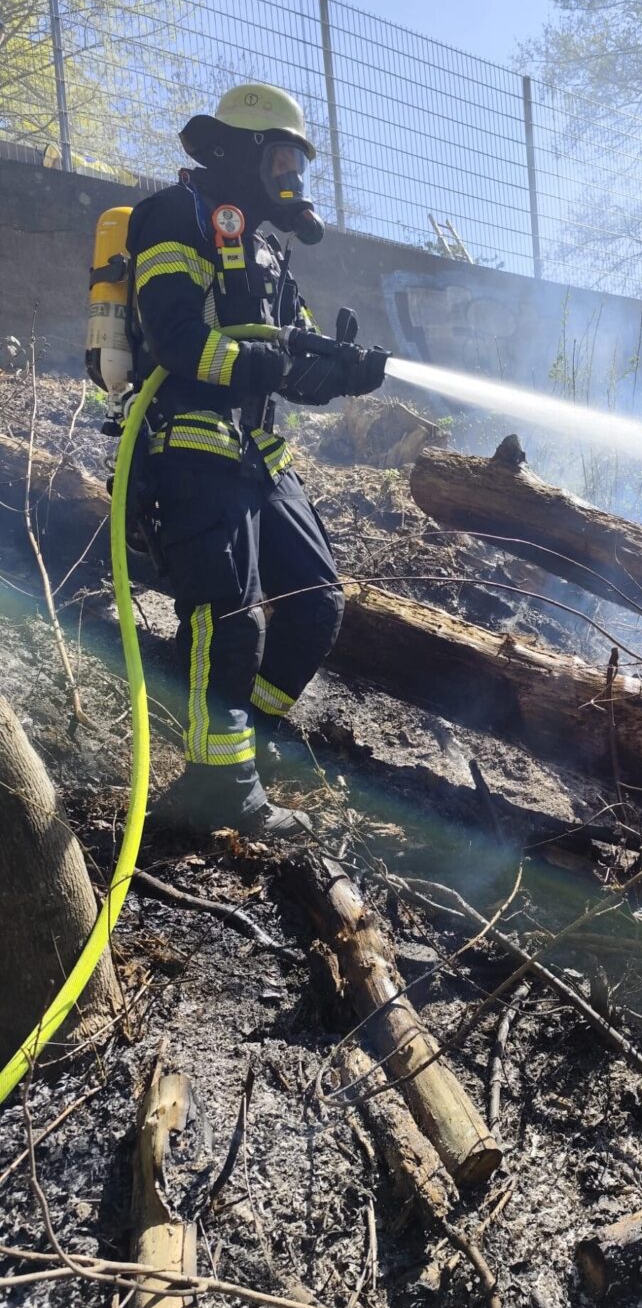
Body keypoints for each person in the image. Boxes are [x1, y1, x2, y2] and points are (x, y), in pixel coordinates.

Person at [126, 82, 387, 837]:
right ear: (236, 152)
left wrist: (343, 374)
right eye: (280, 157)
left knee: (317, 608)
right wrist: (263, 367)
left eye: (297, 164)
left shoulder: (271, 253)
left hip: (259, 457)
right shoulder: (172, 217)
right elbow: (175, 339)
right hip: (189, 448)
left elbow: (291, 365)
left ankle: (243, 748)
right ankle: (218, 787)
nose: (291, 178)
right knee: (229, 620)